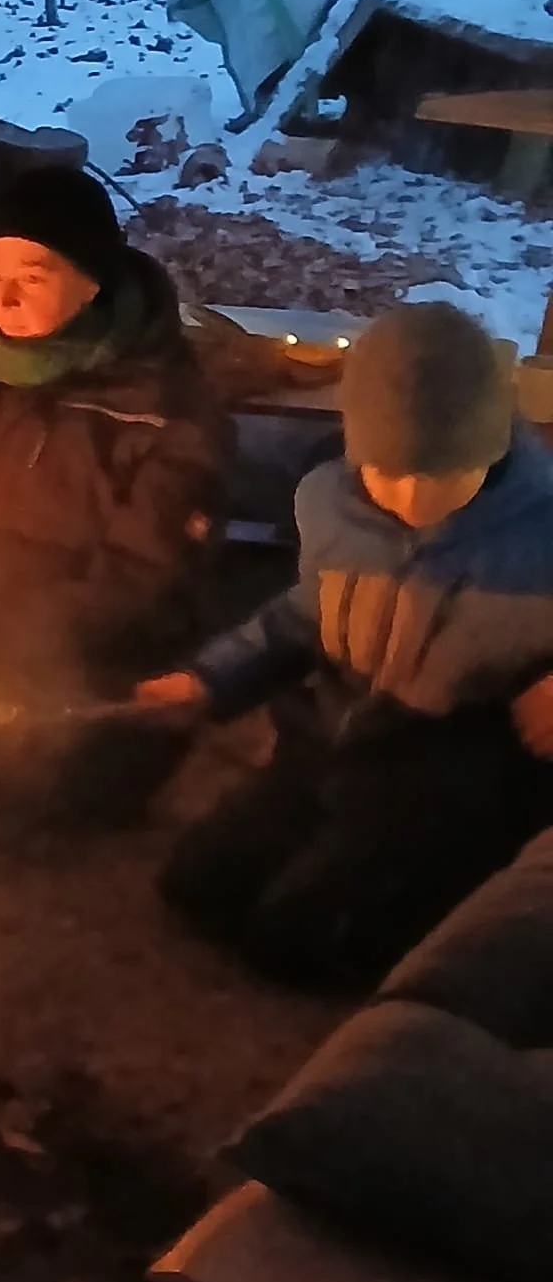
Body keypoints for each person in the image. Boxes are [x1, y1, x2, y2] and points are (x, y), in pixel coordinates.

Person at [142, 301, 553, 991]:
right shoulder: (328, 502)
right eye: (388, 470)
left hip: (446, 774)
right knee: (196, 887)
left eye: (446, 473)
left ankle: (470, 887)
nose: (414, 498)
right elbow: (302, 614)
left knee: (298, 939)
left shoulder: (541, 529)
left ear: (492, 447)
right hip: (326, 746)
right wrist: (211, 680)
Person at [0, 162, 230, 690]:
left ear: (92, 283)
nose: (5, 299)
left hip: (82, 671)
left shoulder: (164, 414)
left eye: (32, 278)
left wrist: (1, 643)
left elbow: (145, 580)